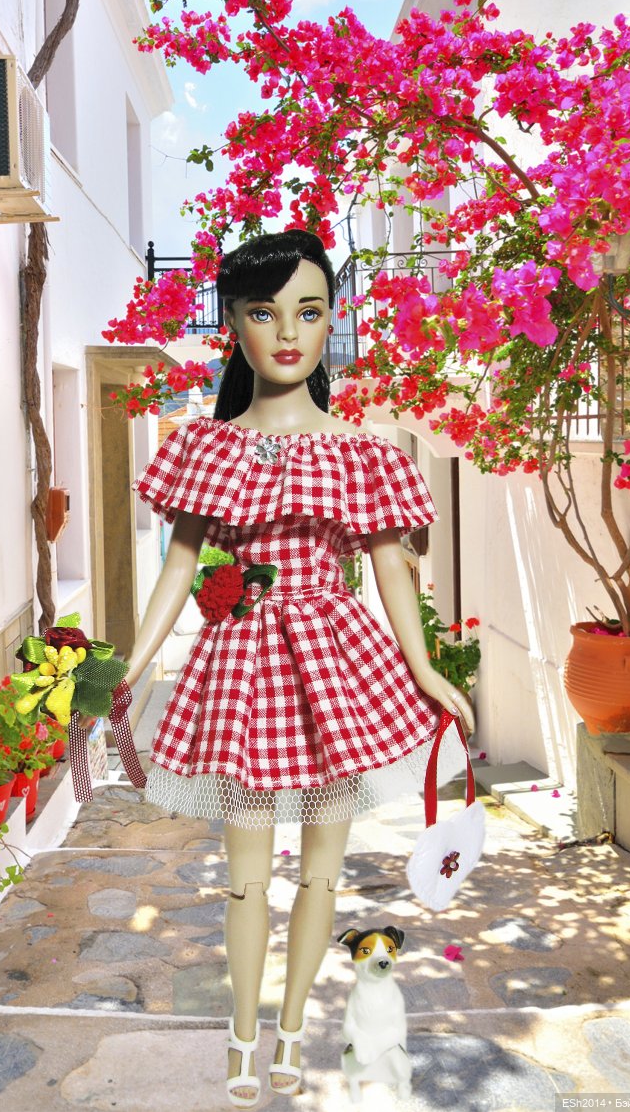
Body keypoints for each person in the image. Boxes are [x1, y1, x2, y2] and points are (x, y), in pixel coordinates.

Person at [125, 230, 474, 1107]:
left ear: (329, 322)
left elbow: (391, 567)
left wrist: (424, 666)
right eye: (264, 311)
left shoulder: (364, 451)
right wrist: (131, 662)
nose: (288, 332)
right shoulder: (207, 447)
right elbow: (179, 566)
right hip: (243, 665)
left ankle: (289, 1032)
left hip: (335, 664)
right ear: (233, 324)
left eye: (309, 311)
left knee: (323, 869)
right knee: (245, 877)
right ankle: (243, 1037)